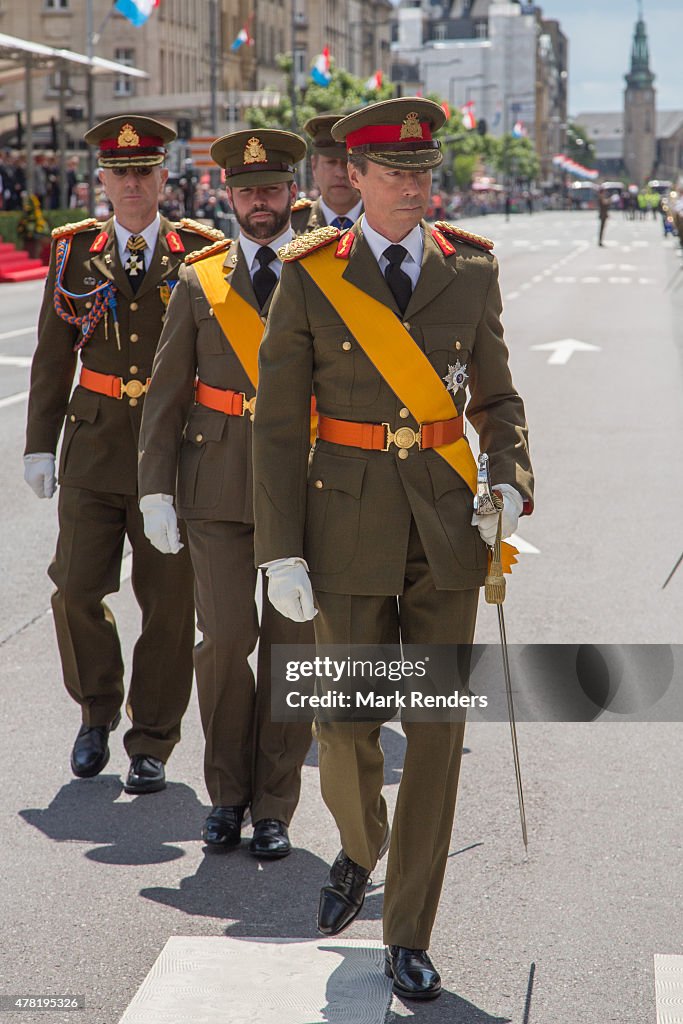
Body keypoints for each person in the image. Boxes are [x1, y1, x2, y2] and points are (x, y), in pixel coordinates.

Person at [252, 97, 534, 999]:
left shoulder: (471, 271)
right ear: (355, 177)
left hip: (447, 530)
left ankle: (408, 929)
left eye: (423, 172)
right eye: (395, 173)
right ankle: (360, 846)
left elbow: (497, 401)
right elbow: (274, 427)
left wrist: (510, 480)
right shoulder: (312, 274)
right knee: (340, 724)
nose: (415, 186)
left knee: (439, 733)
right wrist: (278, 548)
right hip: (344, 524)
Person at [23, 115, 224, 794]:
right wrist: (38, 445)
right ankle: (96, 709)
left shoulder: (201, 250)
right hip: (95, 442)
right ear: (102, 180)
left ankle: (152, 741)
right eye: (120, 172)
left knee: (169, 603)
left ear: (164, 177)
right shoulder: (73, 250)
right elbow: (52, 358)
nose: (133, 184)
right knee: (76, 587)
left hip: (172, 454)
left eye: (145, 171)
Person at [138, 129, 314, 858]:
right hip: (213, 488)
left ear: (290, 192)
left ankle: (274, 804)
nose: (259, 202)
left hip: (303, 488)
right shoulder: (198, 278)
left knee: (290, 650)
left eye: (270, 189)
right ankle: (226, 796)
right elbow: (166, 391)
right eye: (245, 192)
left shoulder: (325, 272)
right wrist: (154, 488)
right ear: (227, 197)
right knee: (226, 643)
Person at [291, 113, 363, 233]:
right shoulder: (292, 226)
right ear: (314, 165)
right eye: (331, 162)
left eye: (347, 163)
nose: (340, 173)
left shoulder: (385, 223)